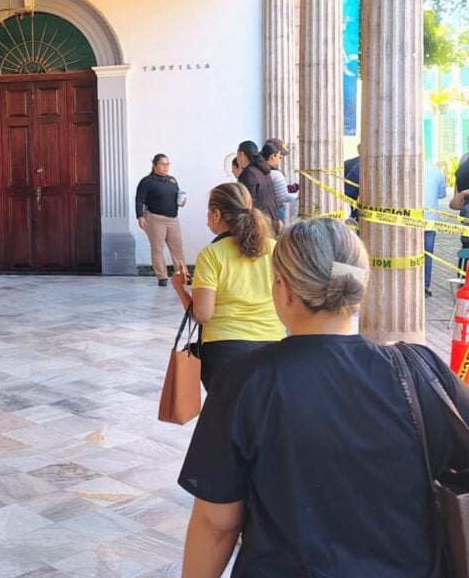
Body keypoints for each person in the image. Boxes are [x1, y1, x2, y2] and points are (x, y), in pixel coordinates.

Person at [177, 217, 469, 578]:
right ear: (358, 285)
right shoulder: (420, 370)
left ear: (283, 288)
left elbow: (217, 523)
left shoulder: (244, 383)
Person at [170, 182, 284, 392]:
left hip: (225, 350)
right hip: (273, 345)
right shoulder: (275, 249)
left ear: (216, 214)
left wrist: (179, 288)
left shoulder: (212, 254)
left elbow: (202, 314)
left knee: (229, 419)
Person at [135, 153, 185, 286]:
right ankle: (162, 276)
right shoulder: (147, 181)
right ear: (154, 165)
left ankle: (182, 274)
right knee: (157, 248)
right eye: (163, 164)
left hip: (172, 219)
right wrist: (140, 216)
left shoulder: (172, 180)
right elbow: (139, 199)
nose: (166, 167)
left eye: (168, 164)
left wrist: (181, 202)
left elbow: (177, 196)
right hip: (154, 218)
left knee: (177, 248)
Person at [236, 140, 279, 231]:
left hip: (261, 224)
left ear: (241, 154)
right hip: (273, 220)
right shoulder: (263, 170)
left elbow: (247, 204)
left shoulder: (248, 173)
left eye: (237, 154)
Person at [261, 140, 297, 231]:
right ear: (273, 155)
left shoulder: (258, 170)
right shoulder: (275, 173)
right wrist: (298, 196)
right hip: (275, 211)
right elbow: (282, 196)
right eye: (280, 156)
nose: (280, 160)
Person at [424, 159, 447, 297]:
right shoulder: (436, 171)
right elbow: (442, 194)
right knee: (427, 255)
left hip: (406, 221)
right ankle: (424, 287)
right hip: (429, 221)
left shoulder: (403, 168)